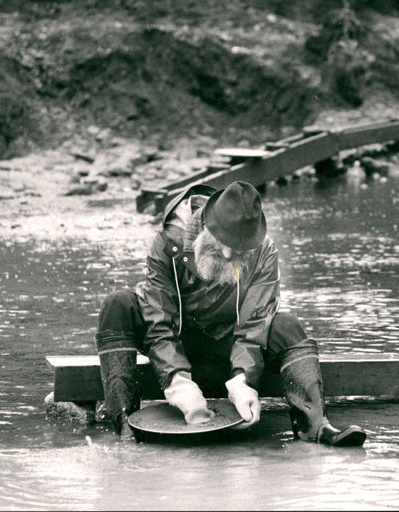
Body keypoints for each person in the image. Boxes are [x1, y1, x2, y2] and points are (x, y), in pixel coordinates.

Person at [95, 180, 367, 446]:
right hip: (176, 345)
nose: (226, 254)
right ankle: (124, 428)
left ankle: (316, 428)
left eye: (237, 248)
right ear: (206, 224)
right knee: (118, 304)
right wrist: (177, 380)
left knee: (287, 325)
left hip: (228, 350)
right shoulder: (169, 243)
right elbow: (159, 321)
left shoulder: (264, 252)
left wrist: (243, 381)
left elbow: (256, 323)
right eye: (220, 241)